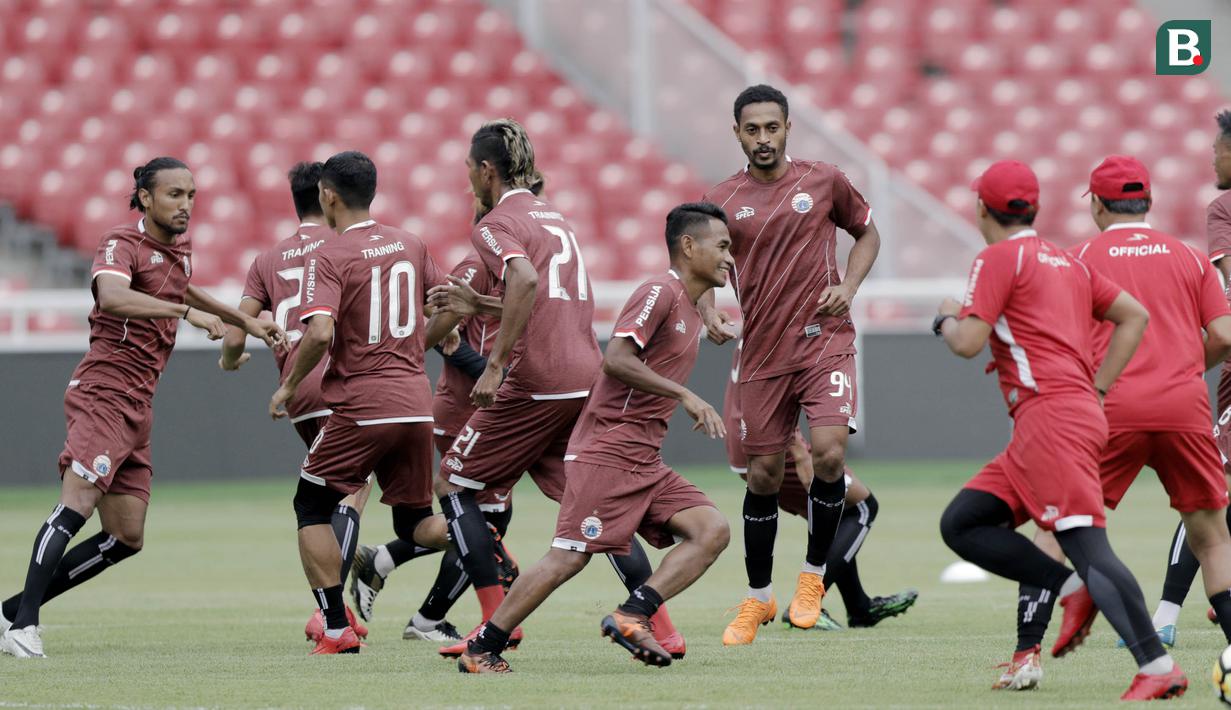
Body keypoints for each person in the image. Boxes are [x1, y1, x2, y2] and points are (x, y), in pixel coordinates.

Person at [0, 157, 285, 658]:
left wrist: (248, 321)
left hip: (139, 402)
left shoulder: (177, 250)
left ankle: (9, 612)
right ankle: (24, 626)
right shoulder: (121, 243)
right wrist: (185, 313)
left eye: (192, 195)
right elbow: (112, 297)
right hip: (105, 390)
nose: (186, 205)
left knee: (126, 535)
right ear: (146, 197)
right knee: (77, 503)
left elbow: (183, 286)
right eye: (175, 194)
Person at [936, 159, 1187, 700]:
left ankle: (1157, 664)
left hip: (1052, 420)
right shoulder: (1063, 260)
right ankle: (1074, 588)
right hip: (1054, 420)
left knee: (1087, 545)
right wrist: (1097, 389)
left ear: (982, 208)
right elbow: (1133, 316)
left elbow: (967, 342)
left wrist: (944, 319)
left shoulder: (998, 258)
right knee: (964, 521)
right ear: (1036, 208)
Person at [457, 202, 733, 673]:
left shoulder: (688, 301)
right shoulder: (657, 291)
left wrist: (709, 313)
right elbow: (617, 360)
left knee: (711, 530)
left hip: (643, 458)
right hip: (608, 449)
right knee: (568, 558)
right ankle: (484, 646)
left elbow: (696, 298)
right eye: (723, 246)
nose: (731, 257)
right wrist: (686, 395)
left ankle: (632, 615)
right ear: (689, 246)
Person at [993, 156, 1231, 688]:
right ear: (1148, 203)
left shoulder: (1075, 260)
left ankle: (1026, 655)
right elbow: (1224, 333)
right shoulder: (1191, 259)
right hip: (1184, 408)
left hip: (1108, 412)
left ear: (1097, 206)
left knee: (1057, 527)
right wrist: (1185, 369)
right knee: (1212, 537)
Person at [422, 118, 613, 659]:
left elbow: (525, 282)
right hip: (585, 373)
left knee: (455, 489)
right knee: (593, 497)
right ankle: (653, 615)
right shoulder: (557, 219)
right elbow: (539, 295)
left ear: (486, 170)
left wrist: (495, 365)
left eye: (468, 170)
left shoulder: (492, 223)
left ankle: (489, 627)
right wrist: (479, 306)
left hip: (537, 380)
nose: (467, 181)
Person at [699, 84, 883, 644]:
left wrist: (847, 287)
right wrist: (708, 312)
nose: (762, 138)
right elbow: (701, 265)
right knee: (763, 475)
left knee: (828, 454)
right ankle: (758, 597)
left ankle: (812, 578)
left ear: (787, 128)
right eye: (751, 129)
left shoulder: (822, 180)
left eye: (771, 128)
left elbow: (867, 232)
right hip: (761, 352)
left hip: (823, 340)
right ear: (737, 133)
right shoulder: (722, 200)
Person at [267, 151, 450, 654]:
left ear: (327, 195)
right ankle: (475, 537)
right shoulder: (410, 242)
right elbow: (452, 300)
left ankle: (333, 626)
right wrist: (418, 346)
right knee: (415, 523)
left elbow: (320, 331)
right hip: (415, 403)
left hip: (362, 404)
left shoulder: (328, 255)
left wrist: (288, 385)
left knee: (311, 503)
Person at [219, 161, 372, 642]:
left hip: (299, 394)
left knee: (325, 497)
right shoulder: (348, 246)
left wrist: (230, 360)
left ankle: (332, 610)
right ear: (330, 197)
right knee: (351, 493)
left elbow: (235, 329)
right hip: (344, 383)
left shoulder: (267, 259)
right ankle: (329, 611)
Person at [722, 344, 917, 631]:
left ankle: (859, 606)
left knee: (832, 515)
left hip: (745, 434)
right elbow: (779, 386)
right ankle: (805, 602)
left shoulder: (760, 312)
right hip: (771, 441)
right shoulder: (786, 316)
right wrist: (800, 452)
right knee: (861, 507)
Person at [1144, 109, 1231, 633]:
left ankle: (1165, 618)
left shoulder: (1224, 206)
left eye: (1218, 149)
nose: (1212, 157)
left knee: (1211, 489)